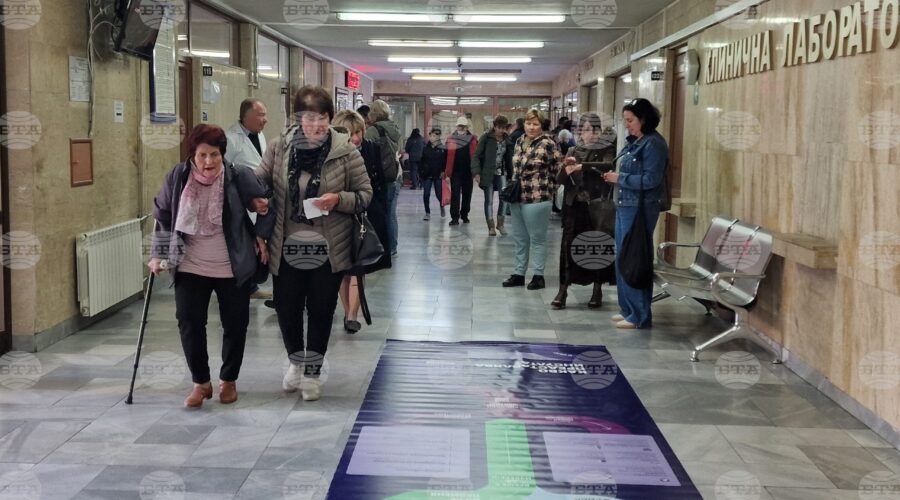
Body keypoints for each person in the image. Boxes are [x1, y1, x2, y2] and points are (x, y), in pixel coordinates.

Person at [256, 86, 373, 400]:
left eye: (322, 117)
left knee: (321, 310)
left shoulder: (345, 151)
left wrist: (339, 199)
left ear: (330, 117)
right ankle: (296, 362)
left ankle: (312, 372)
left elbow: (365, 194)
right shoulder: (279, 147)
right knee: (288, 308)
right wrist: (256, 199)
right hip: (287, 244)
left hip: (328, 246)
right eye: (309, 118)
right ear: (298, 118)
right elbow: (260, 181)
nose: (316, 125)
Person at [149, 124, 273, 408]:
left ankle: (228, 380)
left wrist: (261, 235)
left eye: (215, 155)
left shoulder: (239, 175)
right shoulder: (178, 177)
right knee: (189, 322)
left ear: (222, 154)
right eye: (202, 155)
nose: (209, 161)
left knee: (235, 324)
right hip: (190, 263)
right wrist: (157, 254)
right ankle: (201, 382)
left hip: (232, 265)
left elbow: (267, 205)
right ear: (192, 155)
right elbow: (163, 216)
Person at [602, 98, 669, 330]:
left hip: (640, 208)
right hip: (625, 205)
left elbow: (652, 179)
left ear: (644, 119)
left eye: (630, 120)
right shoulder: (635, 142)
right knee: (623, 257)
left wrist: (620, 178)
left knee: (635, 258)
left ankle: (639, 315)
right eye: (625, 120)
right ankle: (627, 309)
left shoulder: (654, 144)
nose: (627, 125)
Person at [331, 110, 391, 334]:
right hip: (339, 216)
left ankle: (352, 315)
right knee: (343, 269)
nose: (356, 138)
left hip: (366, 214)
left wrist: (381, 213)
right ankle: (347, 310)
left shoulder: (372, 149)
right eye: (351, 133)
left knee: (359, 268)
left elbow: (381, 183)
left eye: (359, 132)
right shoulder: (332, 153)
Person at [553, 113, 617, 310]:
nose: (586, 134)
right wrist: (566, 168)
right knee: (568, 246)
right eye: (583, 130)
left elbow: (608, 165)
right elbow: (560, 179)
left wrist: (583, 166)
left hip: (595, 206)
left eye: (590, 130)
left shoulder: (606, 148)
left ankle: (597, 289)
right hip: (574, 205)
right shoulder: (573, 149)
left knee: (595, 246)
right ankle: (563, 289)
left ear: (598, 131)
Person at [502, 109, 561, 290]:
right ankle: (519, 273)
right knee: (520, 238)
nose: (531, 127)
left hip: (538, 197)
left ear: (541, 125)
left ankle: (538, 275)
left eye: (535, 124)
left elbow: (557, 171)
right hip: (517, 196)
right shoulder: (520, 140)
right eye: (528, 123)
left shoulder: (548, 143)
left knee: (537, 238)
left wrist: (549, 189)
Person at [225, 98, 273, 303]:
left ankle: (251, 285)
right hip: (242, 202)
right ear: (247, 117)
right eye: (261, 115)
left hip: (260, 199)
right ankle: (243, 286)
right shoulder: (230, 139)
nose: (265, 119)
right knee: (244, 246)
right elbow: (226, 176)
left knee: (256, 245)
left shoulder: (259, 135)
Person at [365, 100, 401, 255]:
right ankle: (392, 246)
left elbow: (365, 151)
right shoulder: (395, 129)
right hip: (395, 173)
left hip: (381, 176)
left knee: (381, 213)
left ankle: (383, 246)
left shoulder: (373, 130)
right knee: (391, 213)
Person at [472, 115, 513, 236]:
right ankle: (490, 227)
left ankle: (500, 224)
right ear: (494, 126)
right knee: (489, 200)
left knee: (504, 198)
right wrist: (476, 172)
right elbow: (476, 156)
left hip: (502, 173)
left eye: (503, 128)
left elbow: (510, 158)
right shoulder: (486, 137)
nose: (501, 130)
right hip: (488, 173)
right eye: (499, 127)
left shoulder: (507, 139)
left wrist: (512, 173)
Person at [445, 116, 478, 226]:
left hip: (468, 172)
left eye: (463, 126)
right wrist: (444, 171)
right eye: (460, 126)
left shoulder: (473, 139)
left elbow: (477, 156)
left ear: (467, 127)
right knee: (455, 195)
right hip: (455, 172)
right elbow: (445, 155)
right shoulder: (450, 139)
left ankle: (464, 215)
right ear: (457, 127)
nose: (462, 128)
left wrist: (477, 171)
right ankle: (454, 217)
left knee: (467, 194)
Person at [420, 128, 447, 220]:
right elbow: (421, 161)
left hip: (438, 174)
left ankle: (442, 206)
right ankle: (427, 213)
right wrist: (421, 172)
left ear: (438, 137)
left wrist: (443, 171)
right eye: (431, 136)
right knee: (426, 194)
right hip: (427, 175)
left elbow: (445, 161)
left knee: (439, 194)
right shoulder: (425, 148)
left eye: (434, 136)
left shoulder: (442, 148)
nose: (432, 138)